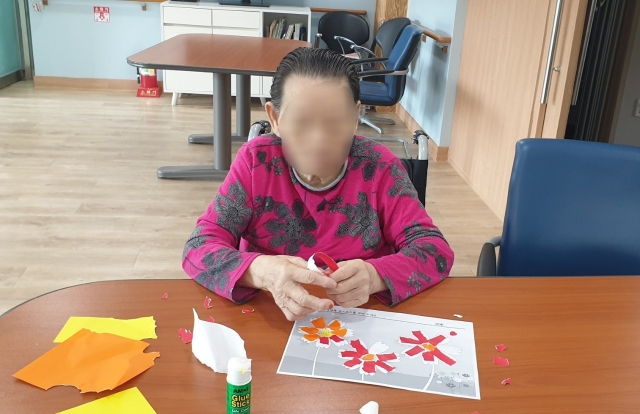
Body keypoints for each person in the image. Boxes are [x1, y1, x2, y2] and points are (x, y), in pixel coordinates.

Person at [182, 47, 454, 321]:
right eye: (301, 121)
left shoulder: (380, 168)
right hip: (271, 314)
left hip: (361, 317)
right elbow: (199, 247)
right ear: (275, 119)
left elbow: (434, 250)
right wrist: (261, 272)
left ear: (355, 118)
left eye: (335, 122)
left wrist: (375, 276)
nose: (319, 140)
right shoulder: (257, 164)